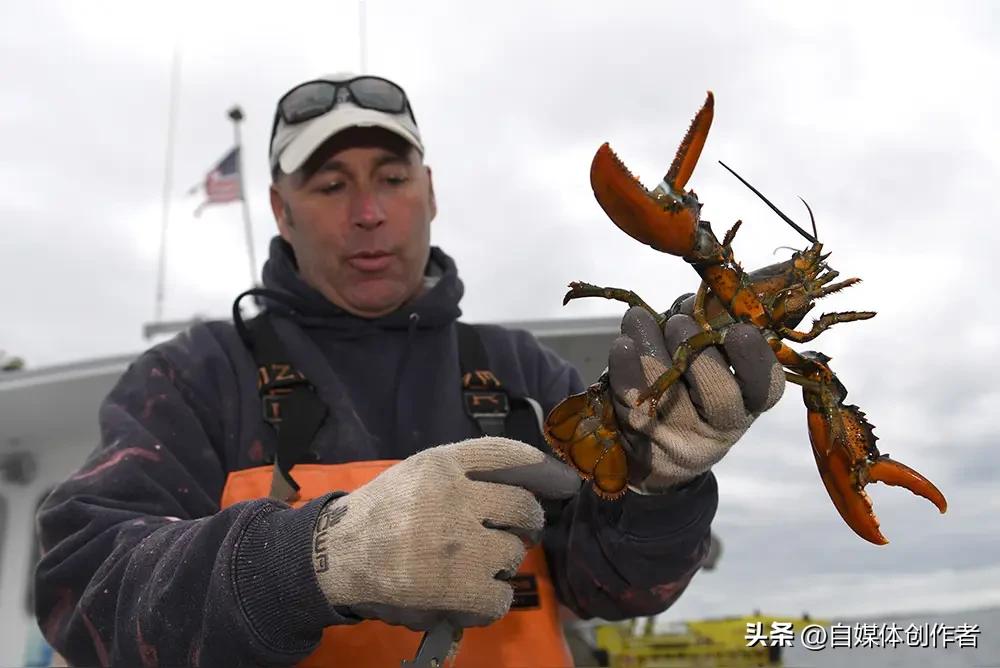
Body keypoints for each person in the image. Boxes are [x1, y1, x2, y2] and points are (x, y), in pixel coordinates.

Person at [34, 72, 785, 667]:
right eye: (330, 185)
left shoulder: (518, 367)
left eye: (392, 177)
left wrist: (662, 492)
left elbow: (616, 587)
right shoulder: (192, 378)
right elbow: (82, 587)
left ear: (430, 191)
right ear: (280, 209)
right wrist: (316, 559)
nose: (368, 212)